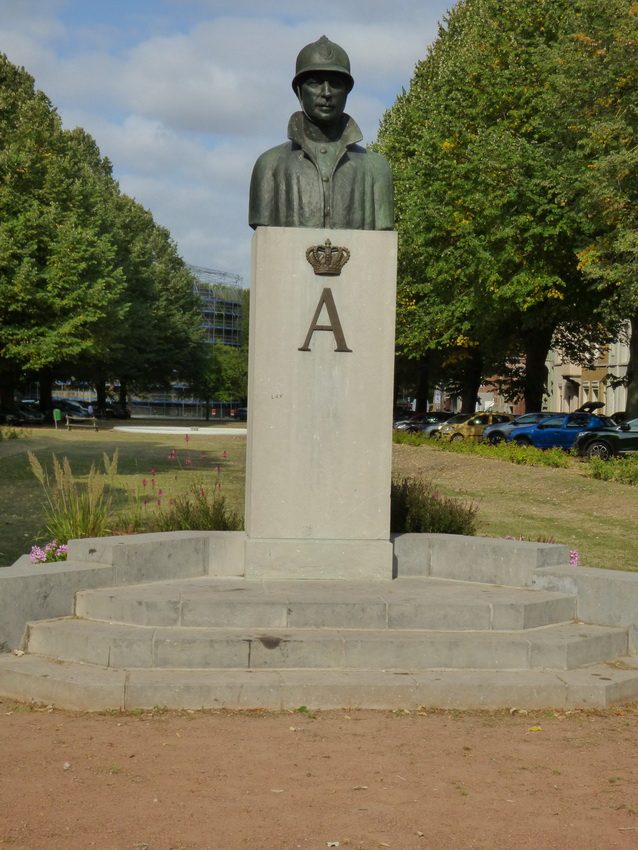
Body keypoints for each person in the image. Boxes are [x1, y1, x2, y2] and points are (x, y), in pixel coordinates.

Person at [249, 35, 393, 231]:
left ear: (346, 91)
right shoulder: (269, 166)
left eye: (335, 83)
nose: (326, 93)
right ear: (299, 91)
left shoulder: (376, 169)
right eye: (315, 82)